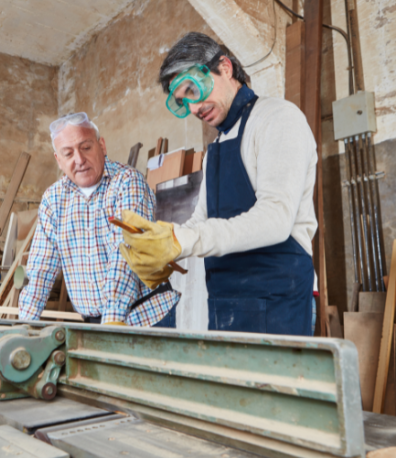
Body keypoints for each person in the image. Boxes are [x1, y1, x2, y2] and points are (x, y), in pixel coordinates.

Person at [119, 32, 317, 335]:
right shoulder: (216, 148)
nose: (194, 108)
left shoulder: (278, 118)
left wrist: (183, 241)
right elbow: (202, 220)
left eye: (193, 90)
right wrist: (165, 243)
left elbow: (276, 218)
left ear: (225, 68)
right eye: (184, 102)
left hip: (277, 300)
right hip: (225, 303)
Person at [18, 112, 180, 327]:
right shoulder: (53, 199)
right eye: (68, 153)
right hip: (96, 324)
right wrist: (24, 326)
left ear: (101, 146)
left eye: (86, 148)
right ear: (58, 160)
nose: (79, 160)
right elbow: (41, 268)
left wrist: (112, 321)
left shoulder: (127, 182)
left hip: (145, 317)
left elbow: (125, 255)